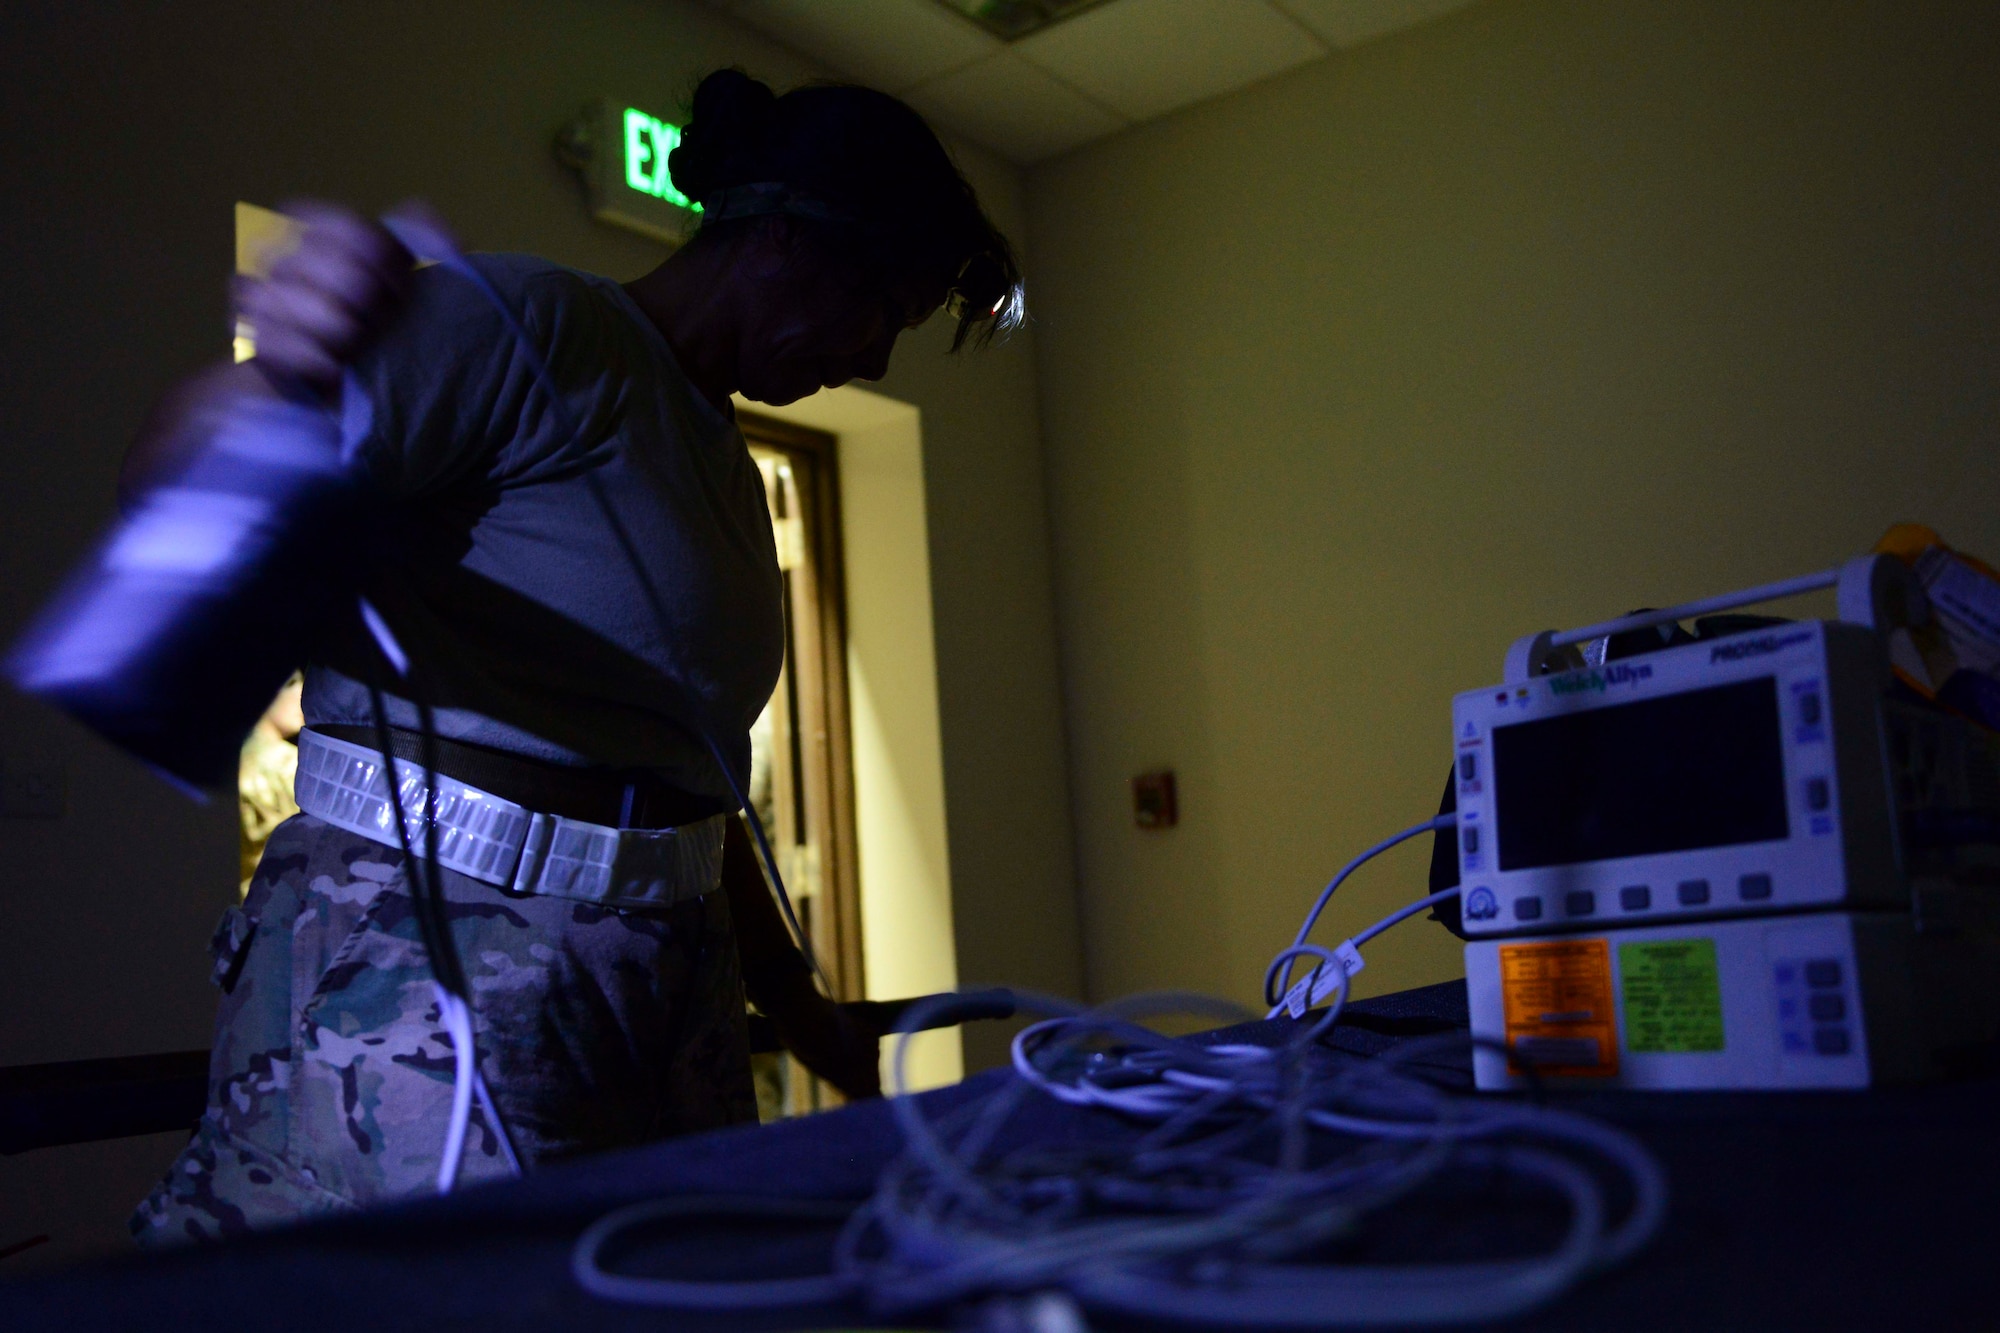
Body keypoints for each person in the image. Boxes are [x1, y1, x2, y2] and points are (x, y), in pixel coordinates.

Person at [122, 68, 1023, 1244]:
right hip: (434, 959)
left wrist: (802, 1010)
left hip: (659, 980)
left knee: (661, 1283)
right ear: (787, 241)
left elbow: (687, 779)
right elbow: (179, 502)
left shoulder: (717, 452)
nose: (875, 362)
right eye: (882, 315)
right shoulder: (530, 328)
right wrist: (288, 378)